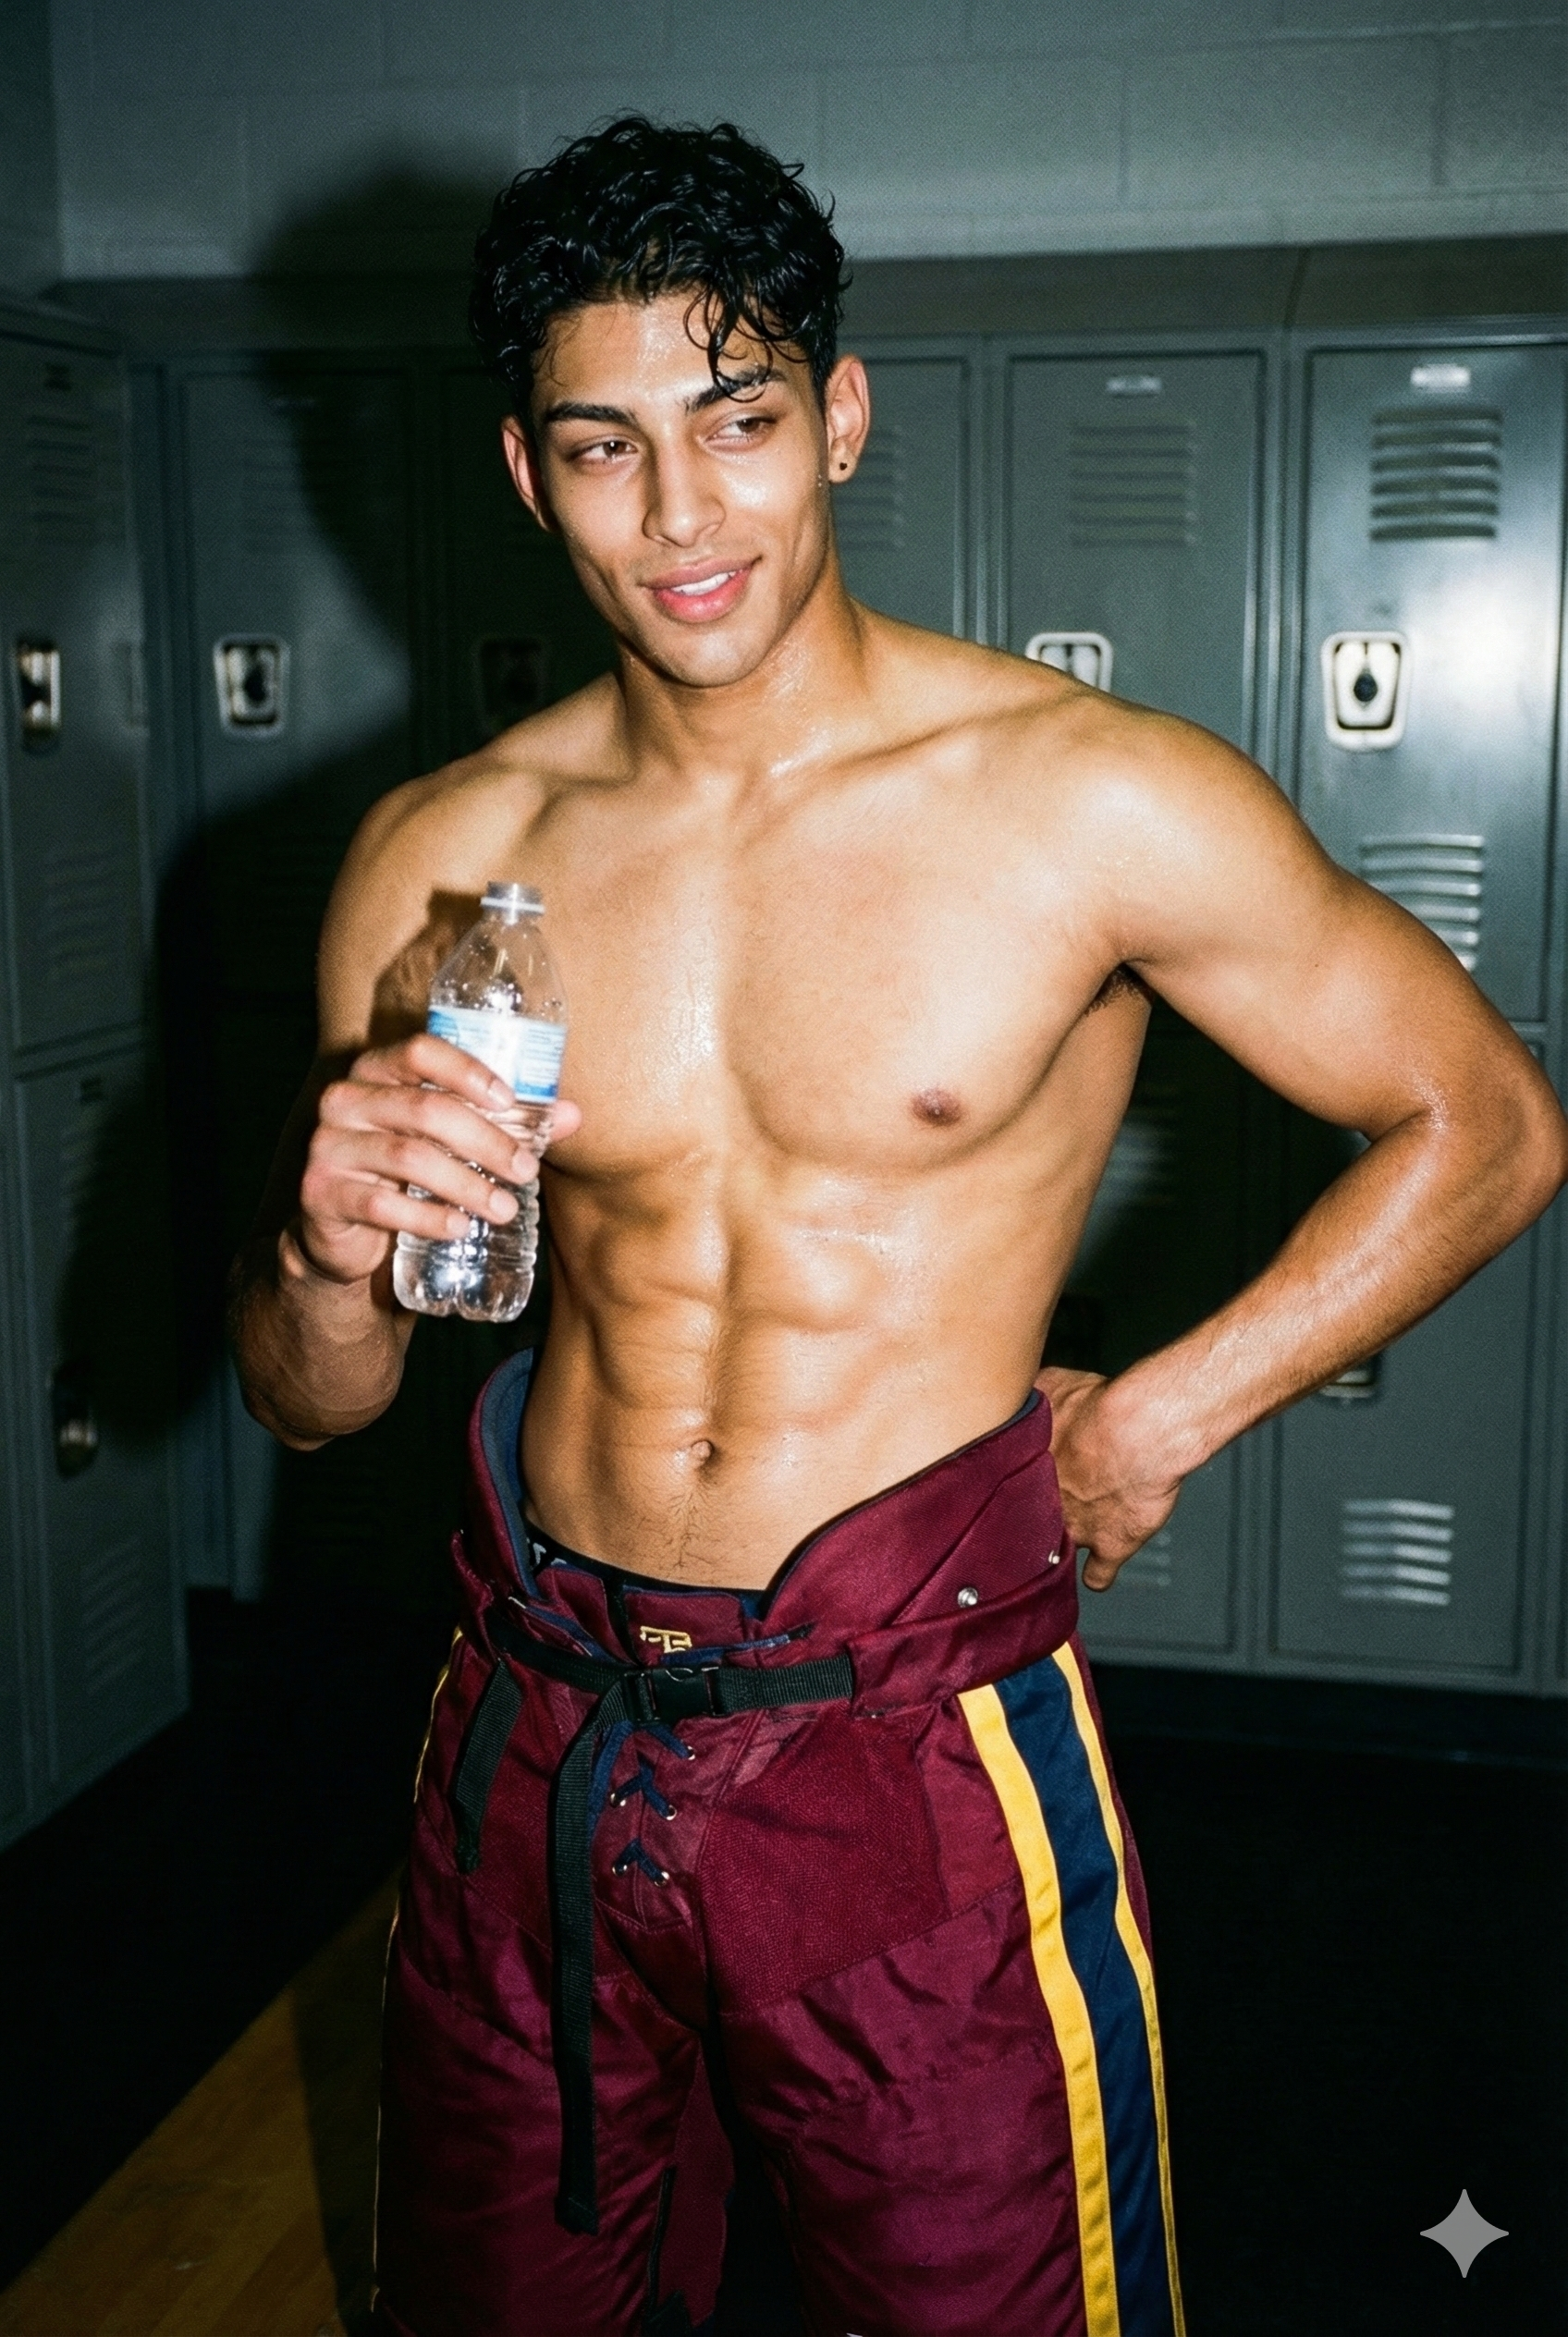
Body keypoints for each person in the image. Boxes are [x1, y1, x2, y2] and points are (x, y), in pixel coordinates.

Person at [228, 116, 1568, 2337]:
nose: (681, 516)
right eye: (604, 448)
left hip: (909, 1750)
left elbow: (1485, 1119)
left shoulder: (1085, 797)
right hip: (533, 1733)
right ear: (526, 474)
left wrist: (1145, 1424)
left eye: (736, 420)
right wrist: (312, 1257)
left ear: (838, 414)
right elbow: (311, 1403)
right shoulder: (439, 863)